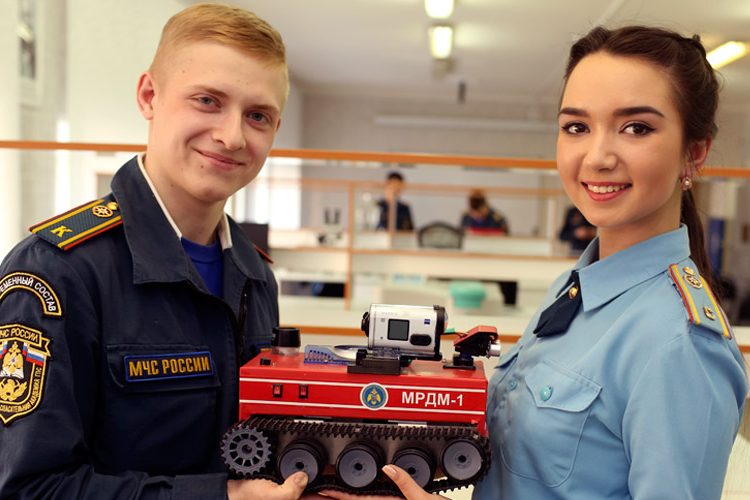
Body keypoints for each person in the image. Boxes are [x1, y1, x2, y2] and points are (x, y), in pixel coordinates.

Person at [324, 25, 749, 500]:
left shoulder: (680, 345)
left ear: (694, 153)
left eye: (636, 128)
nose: (597, 156)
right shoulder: (573, 287)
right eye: (577, 127)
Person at [0, 4, 309, 499]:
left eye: (257, 116)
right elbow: (30, 489)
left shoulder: (253, 273)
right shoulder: (57, 272)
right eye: (207, 100)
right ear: (149, 95)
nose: (232, 136)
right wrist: (221, 497)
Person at [460, 189, 517, 305]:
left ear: (484, 206)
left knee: (510, 279)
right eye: (474, 213)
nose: (476, 215)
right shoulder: (466, 216)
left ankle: (509, 306)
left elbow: (506, 238)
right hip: (473, 258)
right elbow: (461, 236)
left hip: (495, 257)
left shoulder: (497, 218)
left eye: (479, 212)